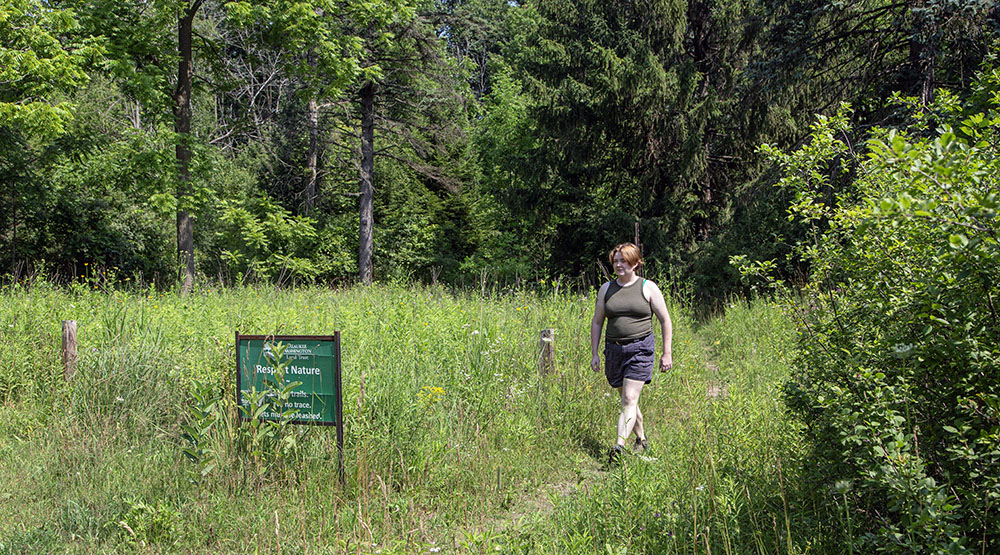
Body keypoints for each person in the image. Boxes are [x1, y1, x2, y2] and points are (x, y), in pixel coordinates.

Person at [590, 242, 673, 462]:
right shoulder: (606, 290)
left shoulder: (648, 287)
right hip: (614, 350)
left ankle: (618, 447)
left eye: (623, 261)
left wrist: (667, 353)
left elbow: (665, 320)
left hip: (641, 348)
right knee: (628, 402)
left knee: (629, 398)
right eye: (615, 261)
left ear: (635, 263)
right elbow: (597, 322)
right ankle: (642, 439)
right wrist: (595, 353)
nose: (618, 265)